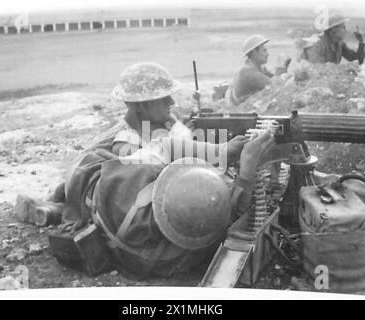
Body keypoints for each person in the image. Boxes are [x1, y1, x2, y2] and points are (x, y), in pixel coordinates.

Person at [16, 62, 193, 228]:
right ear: (141, 105)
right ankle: (57, 209)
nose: (171, 102)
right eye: (162, 99)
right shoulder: (127, 137)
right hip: (87, 182)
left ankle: (56, 204)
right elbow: (139, 175)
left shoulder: (154, 122)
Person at [85, 129, 274, 277]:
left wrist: (222, 151)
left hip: (101, 187)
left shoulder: (139, 172)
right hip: (94, 183)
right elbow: (231, 223)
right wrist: (247, 170)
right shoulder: (177, 259)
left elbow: (163, 145)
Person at [225, 34, 291, 109]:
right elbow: (278, 88)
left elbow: (275, 79)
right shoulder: (248, 73)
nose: (268, 54)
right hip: (239, 112)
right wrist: (281, 67)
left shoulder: (256, 68)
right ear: (254, 52)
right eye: (264, 50)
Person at [301, 14, 365, 65]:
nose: (346, 31)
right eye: (343, 28)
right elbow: (317, 69)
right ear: (333, 30)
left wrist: (361, 41)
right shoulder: (317, 44)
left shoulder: (339, 43)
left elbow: (355, 58)